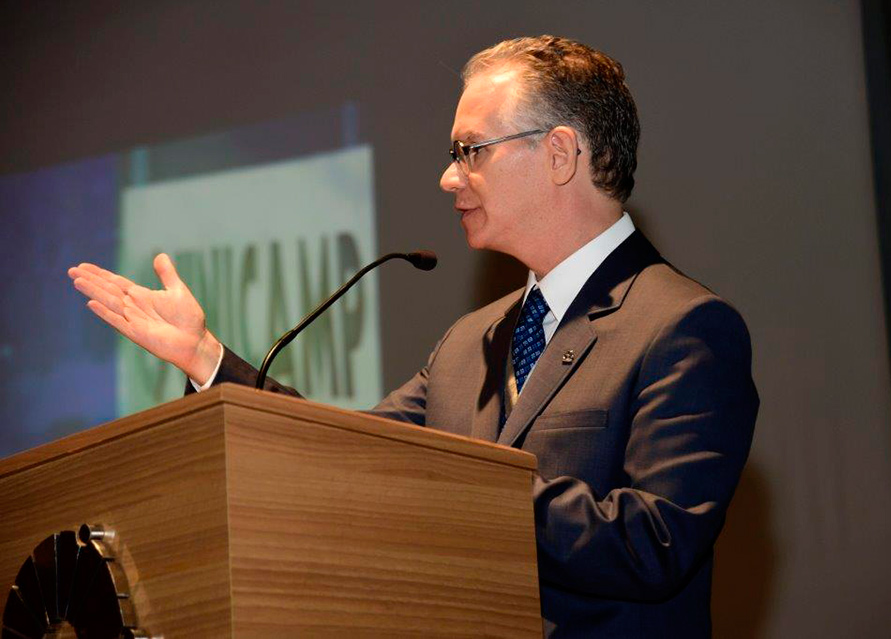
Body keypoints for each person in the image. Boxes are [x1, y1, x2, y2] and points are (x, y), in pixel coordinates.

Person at [69, 36, 758, 638]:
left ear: (559, 153)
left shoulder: (680, 325)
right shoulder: (469, 343)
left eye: (470, 151)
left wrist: (464, 488)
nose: (448, 176)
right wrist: (207, 359)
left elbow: (657, 541)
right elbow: (345, 457)